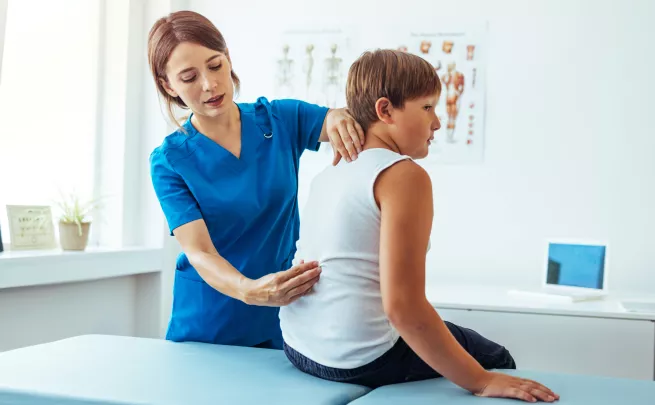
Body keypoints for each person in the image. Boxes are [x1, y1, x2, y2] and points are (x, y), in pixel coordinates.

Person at [279, 49, 560, 403]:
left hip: (299, 346)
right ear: (385, 110)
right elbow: (403, 308)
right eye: (427, 107)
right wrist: (482, 381)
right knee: (495, 359)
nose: (437, 123)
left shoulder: (329, 172)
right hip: (357, 359)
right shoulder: (403, 175)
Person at [146, 10, 365, 349]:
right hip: (209, 323)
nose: (209, 84)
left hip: (285, 315)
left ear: (228, 58)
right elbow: (199, 252)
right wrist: (249, 290)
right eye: (188, 77)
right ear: (168, 85)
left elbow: (337, 120)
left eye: (215, 65)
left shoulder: (280, 120)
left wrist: (339, 117)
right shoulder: (169, 161)